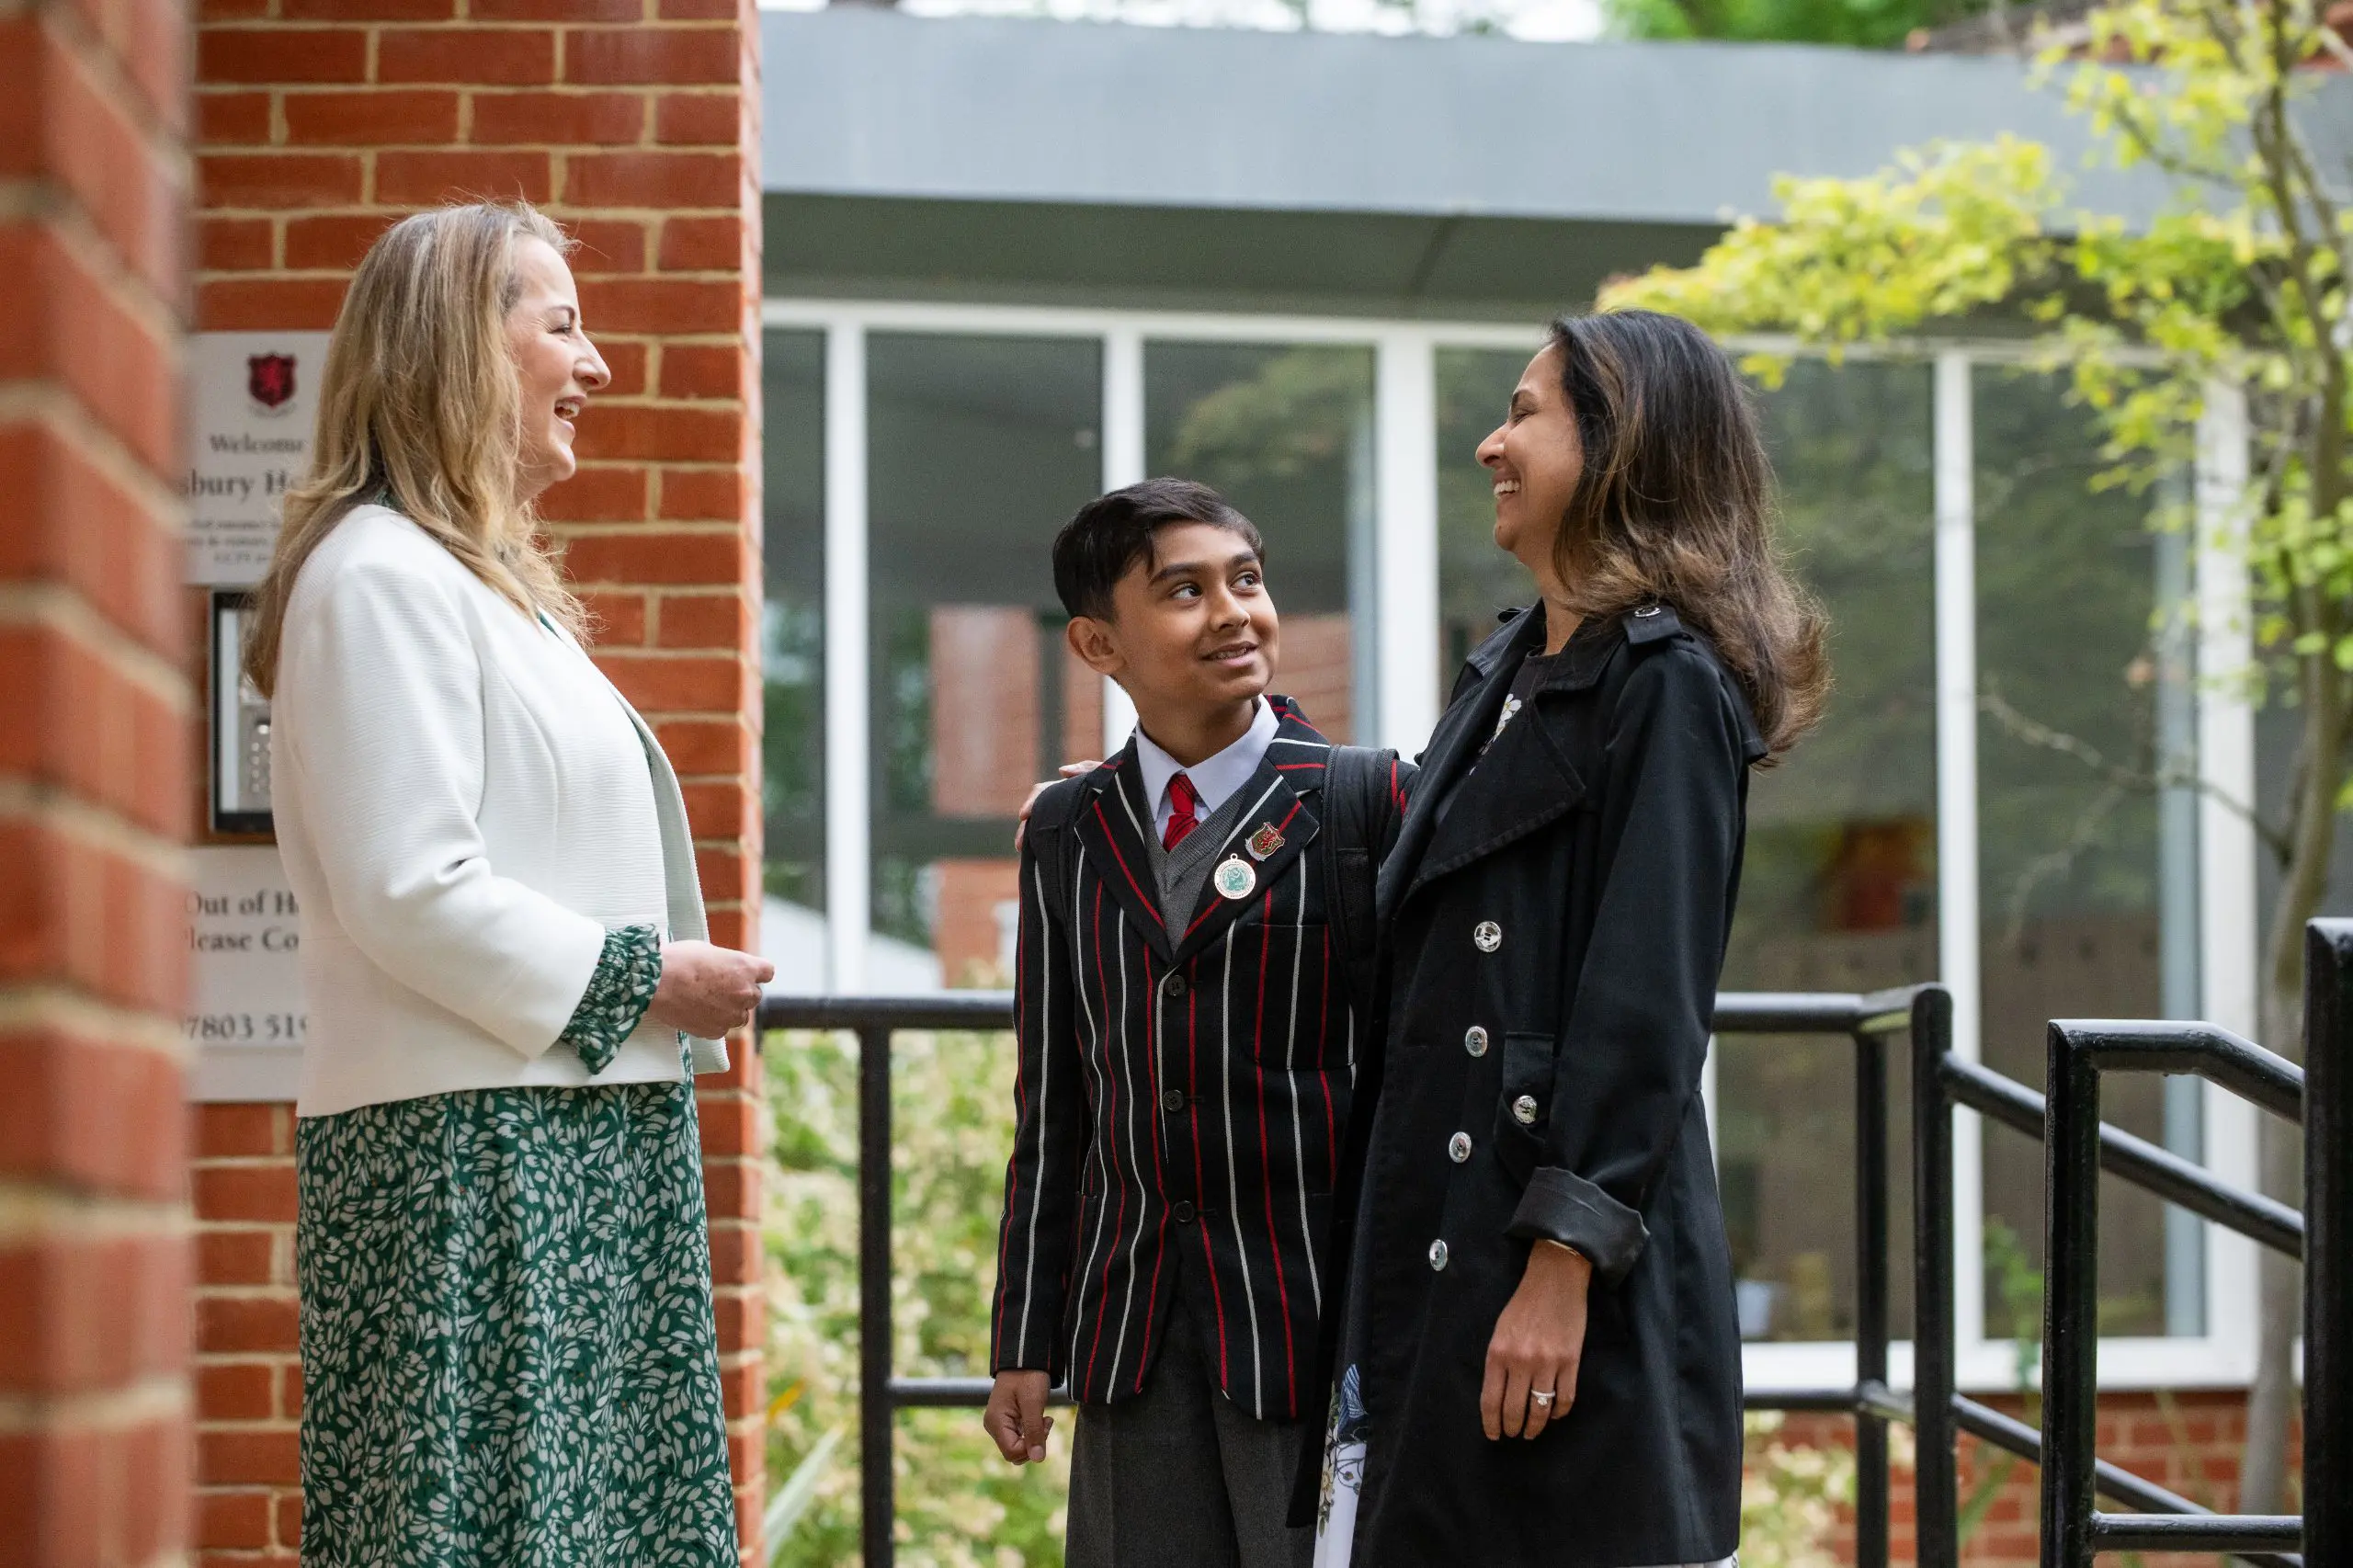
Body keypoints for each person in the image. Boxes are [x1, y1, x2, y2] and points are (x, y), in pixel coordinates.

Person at [242, 201, 773, 1566]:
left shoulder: (476, 585)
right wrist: (649, 973)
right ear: (458, 350)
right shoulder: (375, 577)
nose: (595, 364)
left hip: (555, 1135)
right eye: (562, 324)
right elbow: (407, 883)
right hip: (473, 1157)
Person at [1304, 310, 1829, 1568]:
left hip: (1549, 1265)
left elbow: (1644, 1007)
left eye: (1526, 412)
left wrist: (1564, 1261)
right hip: (1439, 1236)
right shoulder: (1510, 668)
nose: (1492, 442)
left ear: (1619, 444)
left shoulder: (1669, 685)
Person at [983, 479, 1411, 1568]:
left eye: (1247, 580)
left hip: (1315, 1332)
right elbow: (1056, 1106)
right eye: (1184, 590)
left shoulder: (1369, 803)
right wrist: (1026, 1339)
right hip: (1132, 1339)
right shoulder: (1066, 832)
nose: (1232, 611)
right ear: (1095, 641)